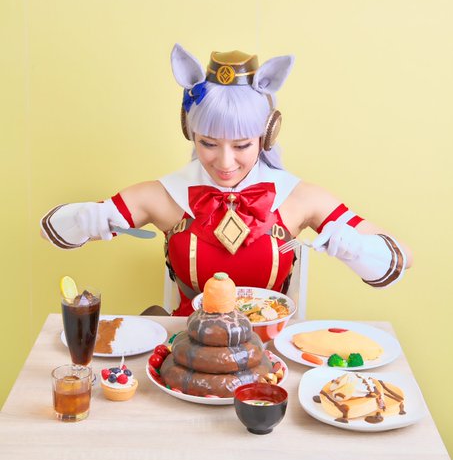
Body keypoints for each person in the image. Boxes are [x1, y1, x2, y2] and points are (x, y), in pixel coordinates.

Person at [41, 44, 412, 316]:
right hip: (184, 350)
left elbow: (403, 257)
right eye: (208, 143)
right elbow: (50, 231)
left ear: (267, 135)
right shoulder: (165, 194)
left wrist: (357, 249)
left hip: (270, 358)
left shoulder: (299, 197)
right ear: (190, 132)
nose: (225, 161)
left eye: (242, 145)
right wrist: (84, 219)